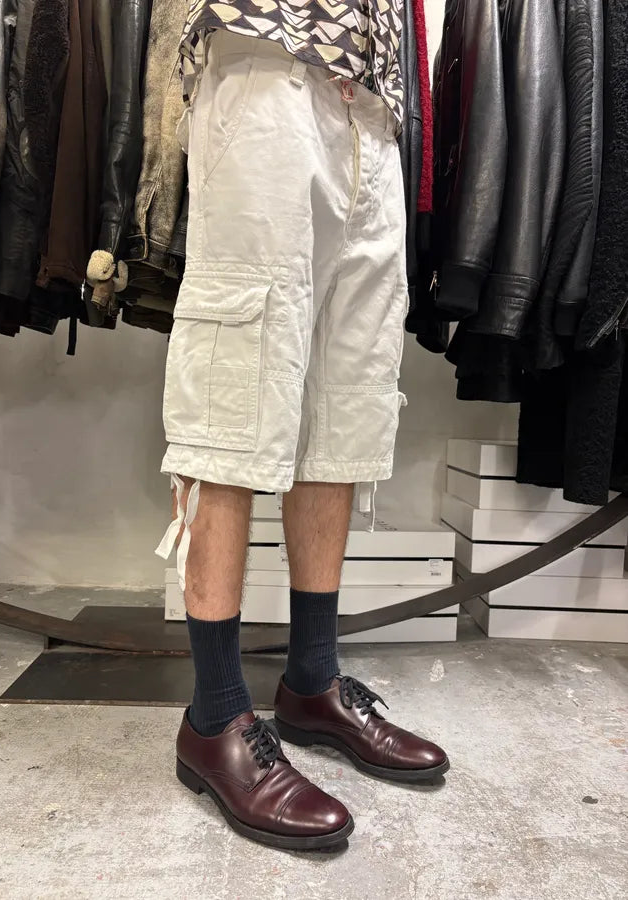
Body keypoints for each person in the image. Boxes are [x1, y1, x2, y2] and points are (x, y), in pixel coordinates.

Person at [155, 0, 449, 852]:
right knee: (237, 386)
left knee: (344, 396)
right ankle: (214, 716)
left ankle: (312, 684)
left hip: (372, 105)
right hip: (264, 57)